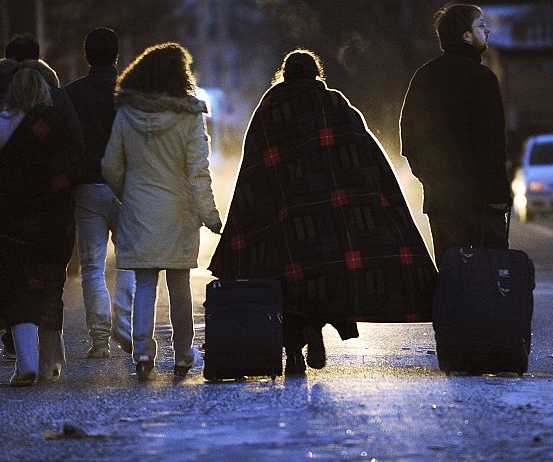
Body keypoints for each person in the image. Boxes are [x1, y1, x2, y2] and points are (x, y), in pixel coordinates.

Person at [209, 49, 436, 375]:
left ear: (285, 74)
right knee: (328, 279)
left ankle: (294, 351)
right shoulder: (335, 104)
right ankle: (315, 328)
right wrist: (376, 200)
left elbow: (256, 168)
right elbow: (365, 151)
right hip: (332, 215)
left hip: (289, 217)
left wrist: (249, 218)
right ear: (316, 73)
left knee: (287, 282)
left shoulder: (269, 110)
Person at [101, 42, 221, 382]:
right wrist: (210, 215)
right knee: (180, 286)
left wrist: (130, 192)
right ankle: (183, 356)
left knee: (144, 284)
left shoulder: (126, 113)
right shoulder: (189, 116)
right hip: (179, 210)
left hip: (139, 208)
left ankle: (142, 354)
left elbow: (110, 165)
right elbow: (199, 170)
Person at [400, 3, 512, 258]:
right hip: (482, 202)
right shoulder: (482, 78)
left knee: (453, 274)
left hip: (442, 201)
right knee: (491, 270)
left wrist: (430, 178)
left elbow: (408, 138)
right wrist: (497, 194)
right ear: (466, 35)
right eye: (481, 25)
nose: (487, 30)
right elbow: (491, 141)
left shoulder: (424, 76)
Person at [0, 68, 70, 386]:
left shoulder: (1, 122)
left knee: (20, 288)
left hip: (14, 217)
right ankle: (49, 363)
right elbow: (69, 163)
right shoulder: (54, 122)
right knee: (51, 287)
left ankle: (26, 365)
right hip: (54, 217)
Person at [64, 28, 135, 359]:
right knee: (130, 262)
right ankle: (125, 327)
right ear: (117, 56)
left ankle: (100, 340)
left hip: (87, 188)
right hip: (126, 189)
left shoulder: (71, 94)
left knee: (92, 266)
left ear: (86, 56)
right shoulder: (130, 94)